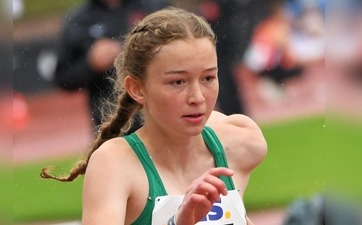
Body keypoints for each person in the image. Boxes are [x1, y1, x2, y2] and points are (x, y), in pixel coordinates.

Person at [42, 7, 267, 225]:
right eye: (177, 82)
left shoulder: (240, 142)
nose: (198, 98)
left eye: (208, 78)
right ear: (137, 89)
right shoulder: (115, 165)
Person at [53, 0, 169, 132]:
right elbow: (63, 78)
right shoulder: (79, 20)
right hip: (113, 127)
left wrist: (129, 49)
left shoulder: (154, 6)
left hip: (161, 119)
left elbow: (179, 49)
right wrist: (90, 64)